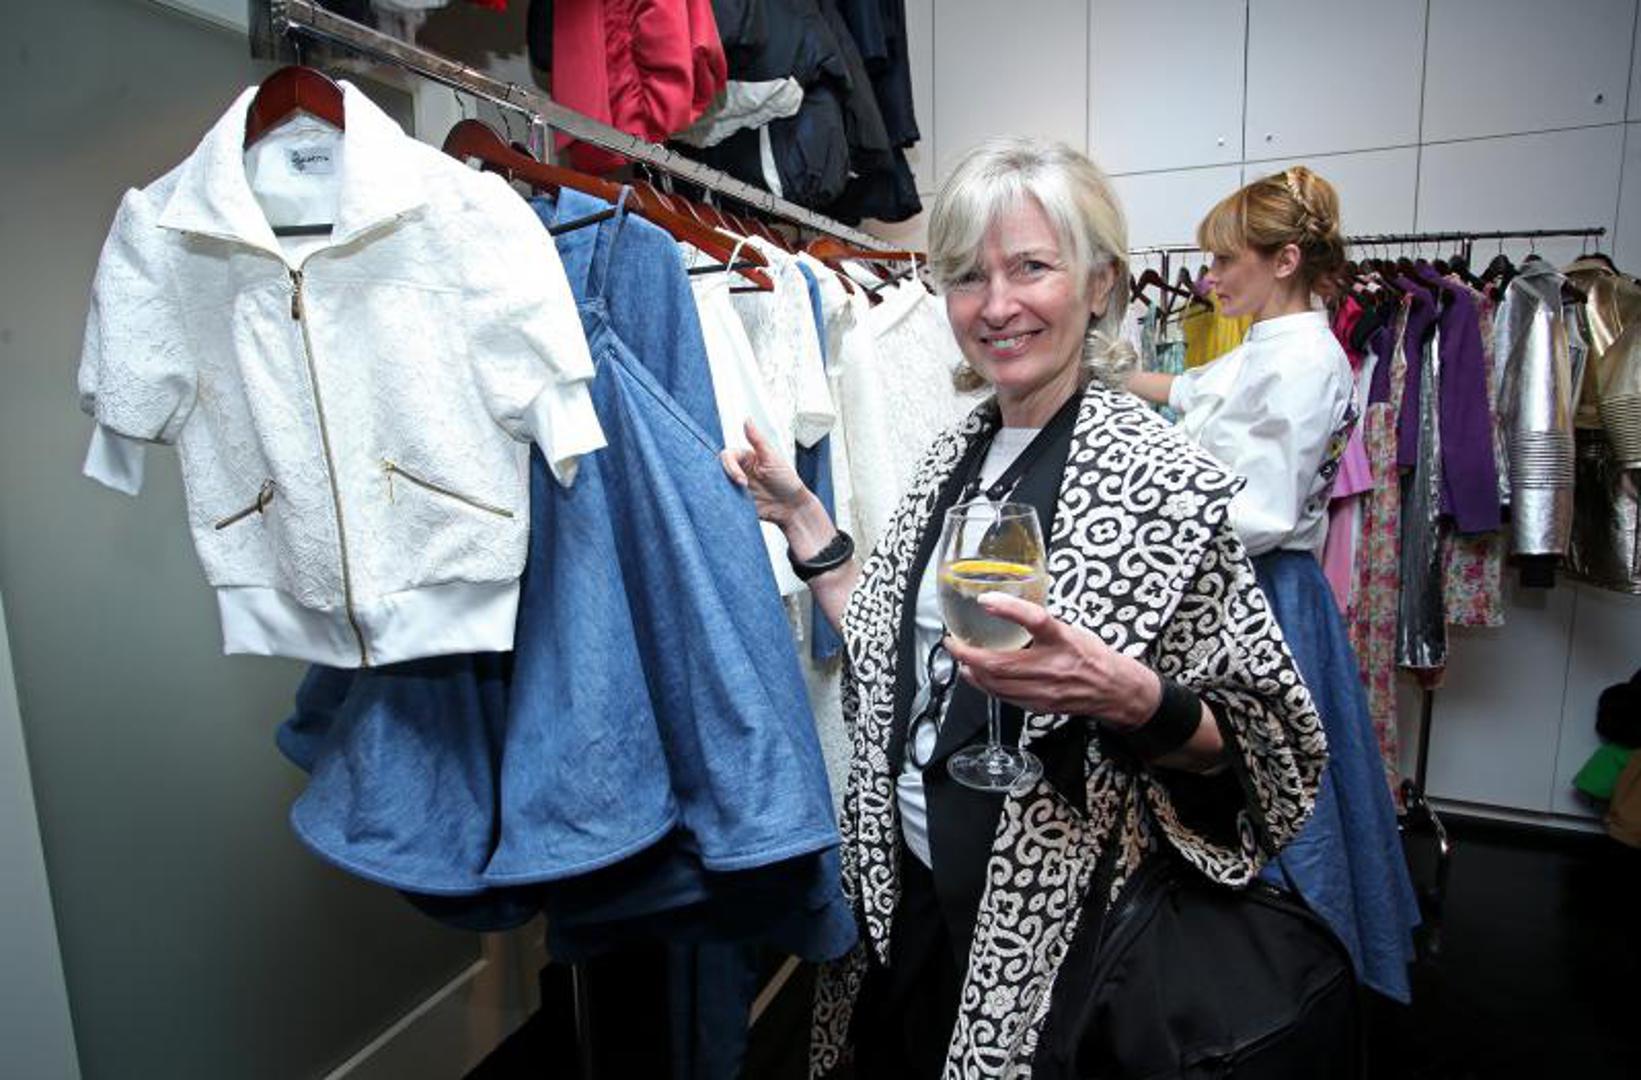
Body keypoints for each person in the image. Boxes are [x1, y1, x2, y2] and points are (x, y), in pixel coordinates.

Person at [723, 138, 1331, 1077]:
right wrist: (804, 518)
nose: (996, 305)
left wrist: (1134, 699)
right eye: (968, 276)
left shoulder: (1161, 482)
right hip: (914, 903)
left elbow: (1267, 748)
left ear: (1099, 283)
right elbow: (894, 653)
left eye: (1030, 267)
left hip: (1061, 944)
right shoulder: (952, 456)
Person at [1128, 167, 1421, 1004]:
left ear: (1285, 259)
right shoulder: (1272, 345)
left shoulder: (1301, 362)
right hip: (1252, 583)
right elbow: (1192, 389)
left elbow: (1259, 510)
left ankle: (1279, 965)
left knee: (1271, 787)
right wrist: (1096, 377)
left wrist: (1136, 521)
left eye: (1225, 261)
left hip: (1260, 590)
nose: (1208, 279)